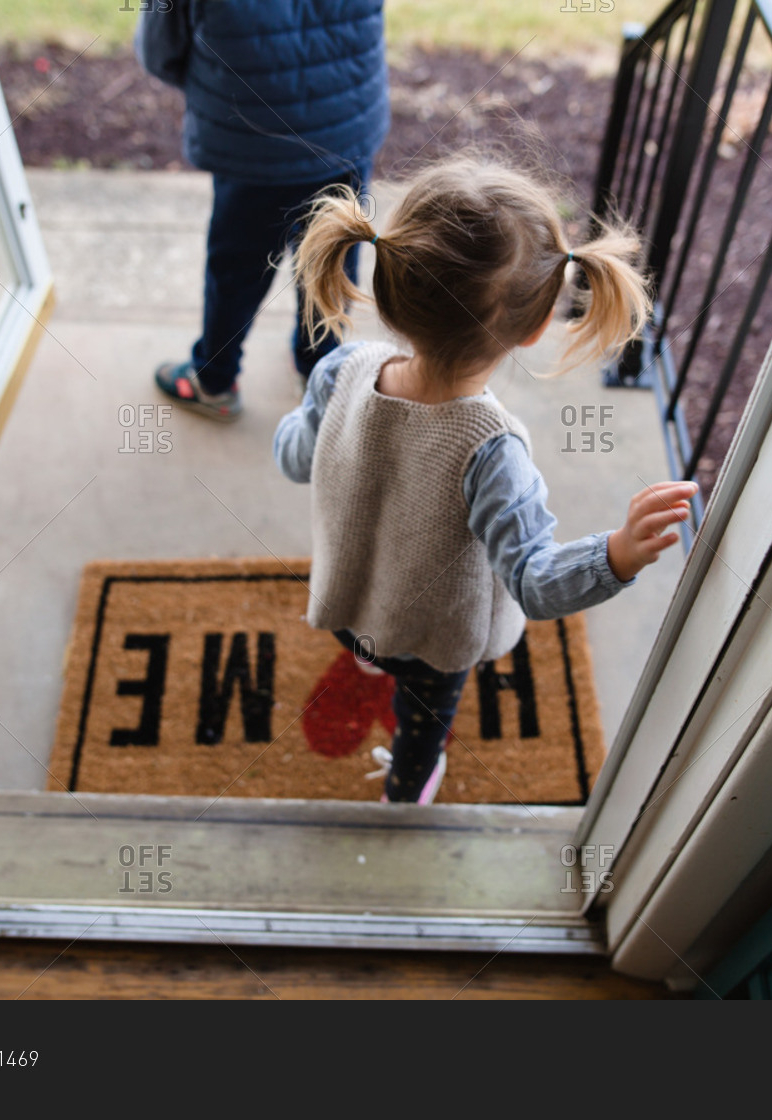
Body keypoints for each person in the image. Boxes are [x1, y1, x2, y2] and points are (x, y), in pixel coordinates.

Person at [273, 157, 699, 803]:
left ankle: (366, 655)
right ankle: (406, 790)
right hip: (432, 639)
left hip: (350, 599)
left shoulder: (340, 370)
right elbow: (532, 582)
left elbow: (296, 458)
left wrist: (303, 424)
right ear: (532, 331)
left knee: (371, 637)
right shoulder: (491, 450)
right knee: (424, 720)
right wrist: (615, 555)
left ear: (389, 284)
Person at [135, 0, 389, 422]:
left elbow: (159, 49)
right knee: (332, 260)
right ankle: (319, 373)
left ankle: (214, 380)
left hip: (252, 133)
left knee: (235, 271)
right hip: (344, 124)